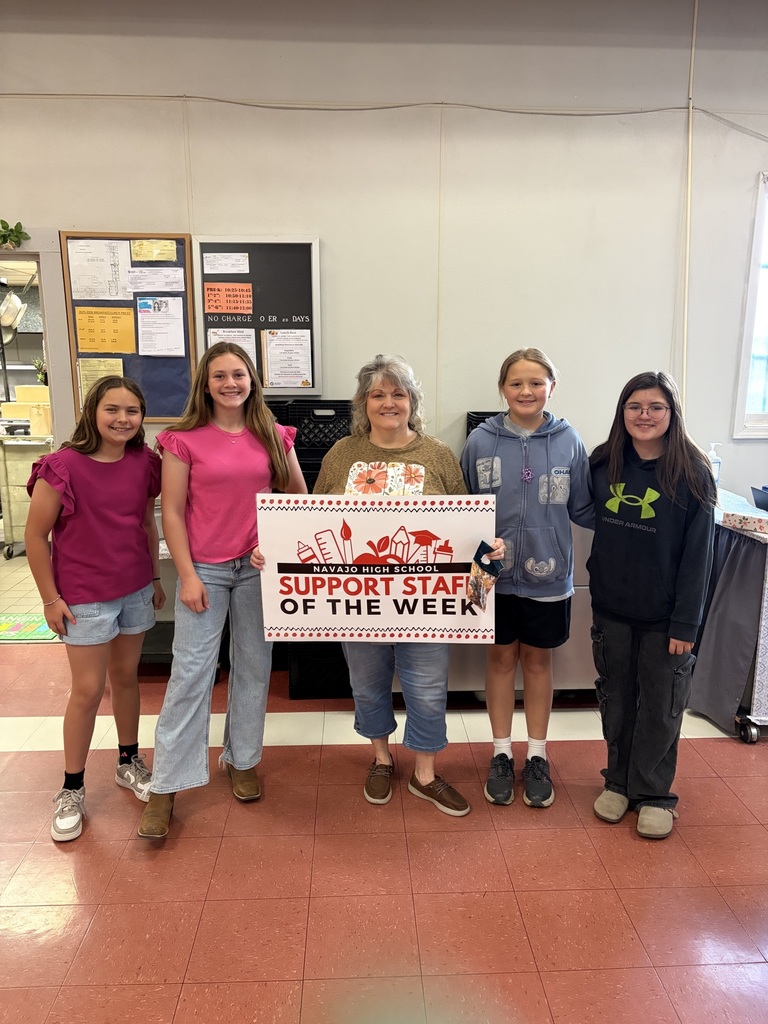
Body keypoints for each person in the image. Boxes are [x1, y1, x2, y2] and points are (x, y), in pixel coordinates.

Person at [314, 354, 504, 817]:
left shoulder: (437, 456)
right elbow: (313, 520)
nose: (388, 402)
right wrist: (276, 555)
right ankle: (380, 759)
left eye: (398, 393)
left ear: (412, 401)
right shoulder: (343, 454)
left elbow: (465, 528)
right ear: (363, 403)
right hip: (357, 603)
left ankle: (424, 772)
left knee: (426, 687)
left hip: (428, 606)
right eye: (377, 394)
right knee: (368, 683)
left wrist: (487, 554)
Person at [138, 342, 306, 839]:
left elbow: (299, 499)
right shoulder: (181, 439)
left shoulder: (275, 436)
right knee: (190, 675)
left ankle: (243, 759)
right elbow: (170, 511)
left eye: (239, 374)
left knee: (255, 666)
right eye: (219, 376)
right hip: (205, 570)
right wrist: (187, 575)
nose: (230, 383)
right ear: (205, 385)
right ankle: (166, 785)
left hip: (257, 569)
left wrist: (272, 543)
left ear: (252, 380)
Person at [25, 376, 164, 842]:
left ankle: (129, 761)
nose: (123, 419)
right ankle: (71, 788)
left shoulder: (146, 462)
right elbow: (34, 537)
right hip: (83, 597)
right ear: (92, 412)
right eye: (112, 409)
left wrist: (157, 578)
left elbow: (147, 522)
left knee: (127, 679)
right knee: (86, 690)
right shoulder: (62, 466)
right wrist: (50, 598)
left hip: (135, 589)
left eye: (132, 411)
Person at [461, 348, 592, 809]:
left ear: (551, 387)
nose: (526, 391)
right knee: (498, 661)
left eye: (536, 383)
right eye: (516, 383)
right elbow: (462, 512)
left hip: (549, 575)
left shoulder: (569, 440)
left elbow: (584, 508)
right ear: (503, 389)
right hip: (489, 575)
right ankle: (501, 752)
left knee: (538, 663)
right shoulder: (480, 440)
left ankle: (536, 754)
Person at [588, 370, 715, 839]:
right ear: (622, 412)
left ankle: (655, 793)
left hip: (667, 619)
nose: (644, 415)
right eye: (635, 406)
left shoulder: (692, 473)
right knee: (617, 701)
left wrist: (687, 623)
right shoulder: (603, 463)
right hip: (611, 610)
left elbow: (699, 557)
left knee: (661, 706)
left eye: (655, 407)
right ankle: (618, 782)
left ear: (671, 414)